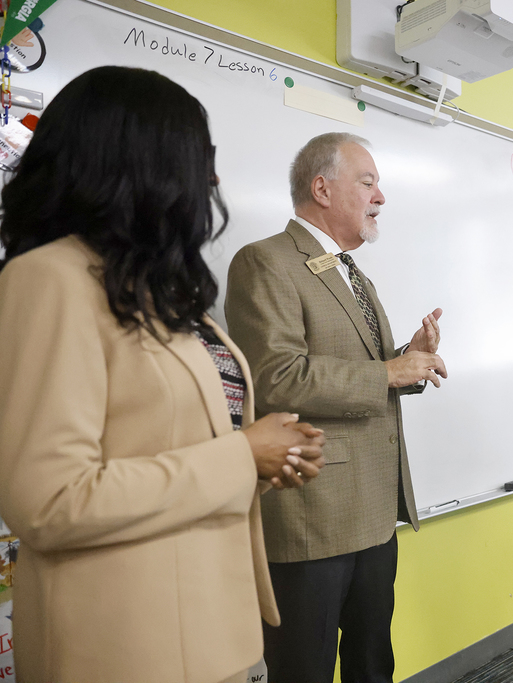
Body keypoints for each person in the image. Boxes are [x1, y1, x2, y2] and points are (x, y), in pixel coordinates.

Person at [0, 66, 326, 683]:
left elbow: (172, 450)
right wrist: (242, 455)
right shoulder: (49, 278)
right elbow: (47, 500)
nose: (213, 179)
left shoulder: (158, 291)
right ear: (139, 164)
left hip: (215, 630)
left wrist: (264, 462)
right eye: (197, 157)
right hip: (127, 645)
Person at [224, 132, 447, 683]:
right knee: (306, 669)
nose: (381, 197)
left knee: (373, 665)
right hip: (312, 516)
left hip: (373, 512)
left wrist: (407, 361)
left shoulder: (352, 271)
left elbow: (356, 366)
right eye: (368, 182)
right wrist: (387, 372)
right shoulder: (264, 262)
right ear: (322, 189)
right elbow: (276, 377)